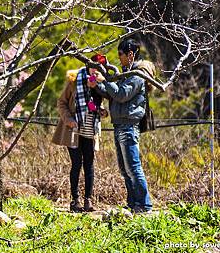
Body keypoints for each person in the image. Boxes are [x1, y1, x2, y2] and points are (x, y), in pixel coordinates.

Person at [88, 38, 154, 213]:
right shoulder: (126, 72)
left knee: (133, 168)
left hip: (129, 126)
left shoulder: (137, 75)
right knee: (125, 170)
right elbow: (113, 95)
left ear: (131, 54)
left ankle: (145, 205)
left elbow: (122, 94)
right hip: (120, 125)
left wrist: (105, 81)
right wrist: (98, 85)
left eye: (121, 55)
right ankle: (133, 204)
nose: (119, 58)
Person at [54, 54, 108, 212]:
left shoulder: (101, 85)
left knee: (89, 164)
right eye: (95, 66)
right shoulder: (74, 81)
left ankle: (88, 200)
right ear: (88, 66)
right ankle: (75, 199)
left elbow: (100, 105)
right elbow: (61, 102)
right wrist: (68, 119)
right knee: (76, 163)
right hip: (74, 128)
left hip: (91, 129)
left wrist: (103, 111)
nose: (96, 70)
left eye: (100, 68)